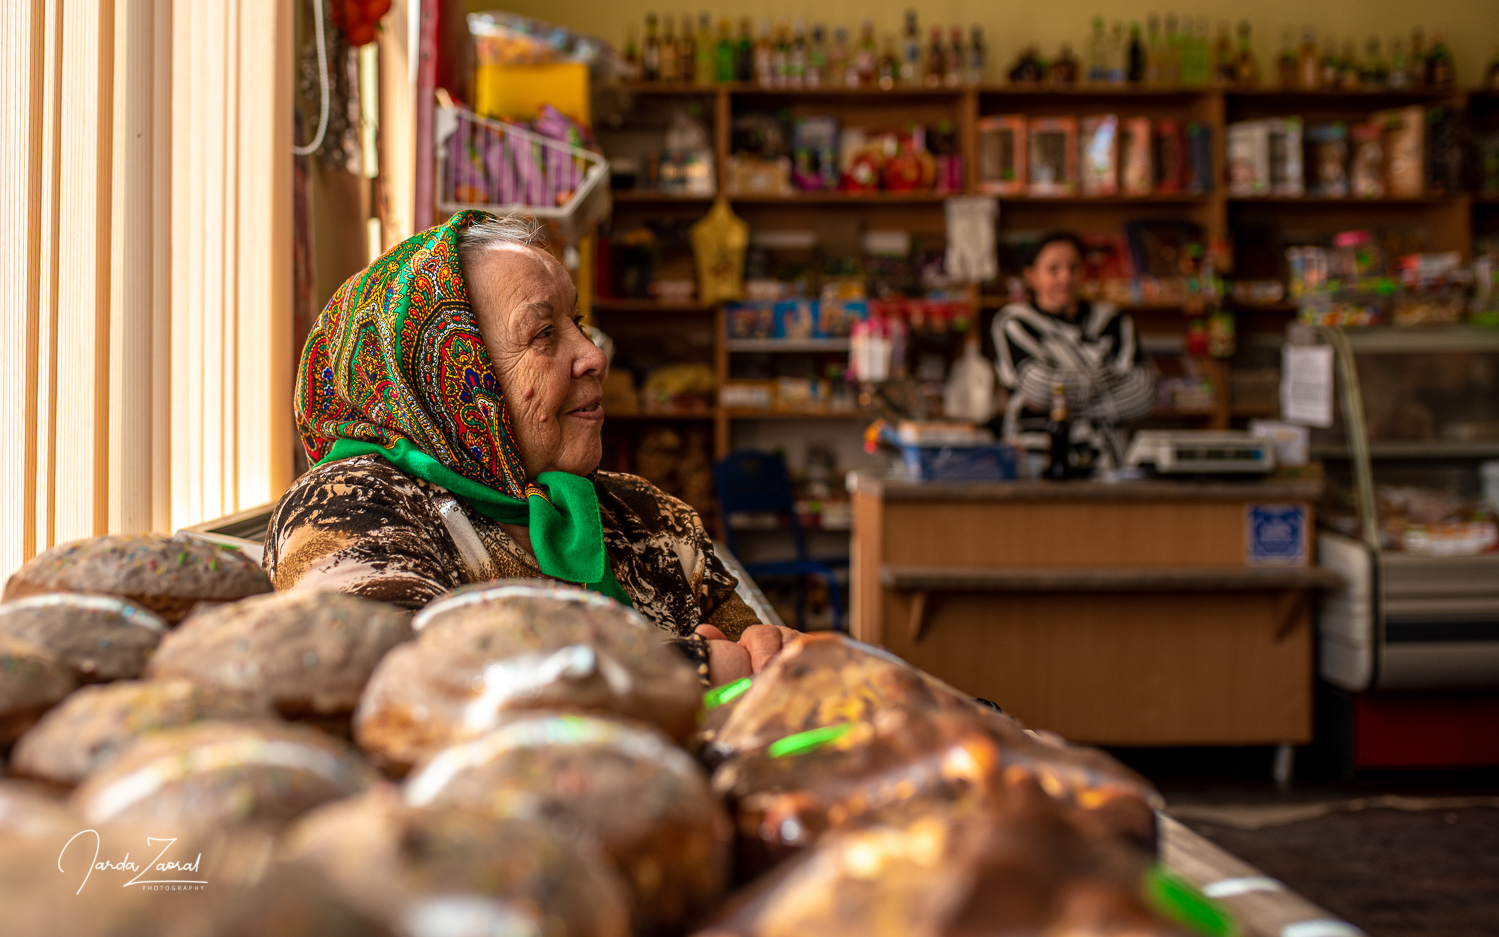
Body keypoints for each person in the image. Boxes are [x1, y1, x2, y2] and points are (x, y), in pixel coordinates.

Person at [265, 211, 795, 685]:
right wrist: (693, 668)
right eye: (544, 333)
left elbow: (770, 666)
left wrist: (780, 659)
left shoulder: (647, 516)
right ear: (450, 375)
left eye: (579, 324)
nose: (592, 355)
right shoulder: (344, 504)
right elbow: (392, 678)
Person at [990, 232, 1154, 472]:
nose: (1065, 277)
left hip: (1108, 464)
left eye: (1073, 267)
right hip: (1037, 462)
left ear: (1085, 271)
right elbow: (1039, 388)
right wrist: (1110, 378)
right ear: (1031, 276)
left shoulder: (1113, 320)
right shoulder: (1015, 321)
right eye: (1053, 269)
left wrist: (1061, 408)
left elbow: (1144, 393)